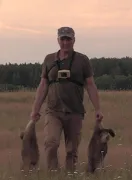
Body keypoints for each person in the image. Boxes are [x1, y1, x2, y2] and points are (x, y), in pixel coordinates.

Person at [30, 26, 103, 173]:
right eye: (62, 39)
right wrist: (35, 110)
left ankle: (70, 175)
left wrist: (98, 109)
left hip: (75, 112)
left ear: (74, 40)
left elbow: (90, 85)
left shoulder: (82, 60)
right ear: (58, 40)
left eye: (68, 39)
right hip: (53, 111)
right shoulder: (49, 59)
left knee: (72, 150)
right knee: (51, 143)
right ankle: (53, 174)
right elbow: (43, 85)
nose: (65, 42)